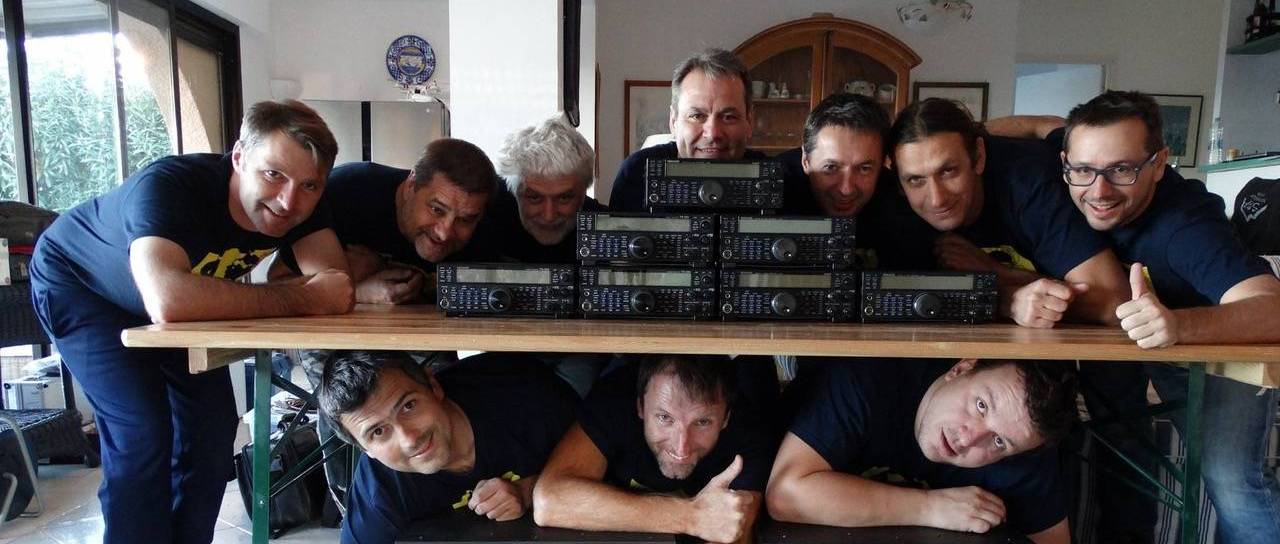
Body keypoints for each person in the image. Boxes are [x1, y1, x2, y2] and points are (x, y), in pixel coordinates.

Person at [28, 100, 353, 542]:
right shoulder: (170, 187)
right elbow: (168, 300)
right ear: (239, 158)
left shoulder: (301, 199)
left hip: (174, 304)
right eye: (273, 174)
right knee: (142, 433)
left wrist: (318, 292)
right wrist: (300, 295)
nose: (288, 201)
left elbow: (333, 285)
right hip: (82, 286)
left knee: (213, 431)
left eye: (310, 185)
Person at [1059, 90, 1280, 544]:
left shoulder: (1187, 229)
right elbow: (1031, 128)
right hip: (1127, 333)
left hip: (1218, 337)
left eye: (1122, 169)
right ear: (1066, 162)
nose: (1098, 190)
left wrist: (1178, 326)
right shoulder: (1071, 161)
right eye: (1083, 170)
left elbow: (1273, 309)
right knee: (1119, 446)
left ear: (1159, 163)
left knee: (1233, 482)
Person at [766, 358, 1077, 543]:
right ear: (961, 368)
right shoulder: (867, 378)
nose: (969, 438)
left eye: (998, 442)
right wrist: (932, 508)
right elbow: (786, 494)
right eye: (981, 406)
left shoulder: (1023, 448)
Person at [886, 98, 1129, 328]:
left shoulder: (1030, 186)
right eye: (915, 180)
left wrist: (996, 276)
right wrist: (1003, 297)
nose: (937, 199)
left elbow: (1114, 301)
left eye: (949, 171)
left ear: (978, 157)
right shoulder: (893, 201)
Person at [318, 350, 577, 544]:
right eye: (378, 432)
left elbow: (600, 473)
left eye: (408, 406)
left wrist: (530, 489)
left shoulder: (531, 403)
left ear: (433, 387)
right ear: (366, 450)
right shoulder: (380, 487)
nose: (409, 439)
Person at [533, 355, 776, 543]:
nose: (682, 446)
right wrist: (692, 516)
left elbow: (732, 531)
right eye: (664, 418)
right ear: (640, 406)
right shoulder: (614, 402)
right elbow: (550, 501)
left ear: (725, 418)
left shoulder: (749, 429)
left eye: (702, 422)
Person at [280, 138, 499, 305]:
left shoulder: (487, 227)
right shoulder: (343, 193)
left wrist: (383, 270)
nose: (444, 233)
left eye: (464, 220)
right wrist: (356, 292)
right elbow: (277, 280)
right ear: (411, 185)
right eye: (436, 209)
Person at [774, 92, 929, 269]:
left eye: (864, 169)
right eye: (831, 167)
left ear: (882, 164)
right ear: (806, 161)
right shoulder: (776, 184)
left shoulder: (899, 202)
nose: (846, 189)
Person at [607, 48, 763, 211]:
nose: (713, 134)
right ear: (673, 121)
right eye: (696, 116)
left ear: (749, 121)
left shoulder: (773, 176)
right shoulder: (637, 172)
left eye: (728, 117)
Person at [470, 114, 605, 264]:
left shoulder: (606, 228)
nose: (549, 216)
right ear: (513, 191)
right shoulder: (475, 219)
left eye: (564, 198)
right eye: (534, 198)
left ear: (584, 191)